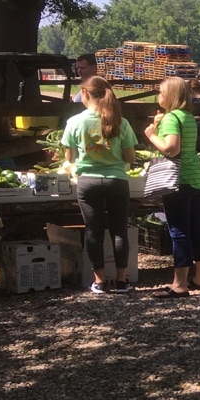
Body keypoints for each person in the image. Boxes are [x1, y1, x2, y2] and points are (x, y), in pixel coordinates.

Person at [61, 76, 138, 294]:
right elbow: (130, 158)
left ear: (85, 94)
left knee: (94, 232)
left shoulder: (75, 122)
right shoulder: (121, 122)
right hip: (117, 180)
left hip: (88, 182)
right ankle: (122, 280)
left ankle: (100, 281)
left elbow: (70, 157)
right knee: (119, 230)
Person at [143, 76, 200, 298]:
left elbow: (171, 149)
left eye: (161, 92)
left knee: (179, 231)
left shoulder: (172, 118)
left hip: (177, 181)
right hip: (196, 178)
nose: (158, 96)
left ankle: (179, 284)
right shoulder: (187, 116)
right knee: (197, 229)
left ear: (171, 96)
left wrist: (152, 135)